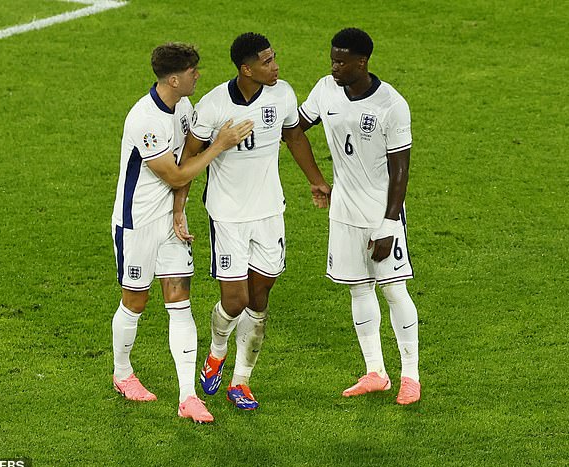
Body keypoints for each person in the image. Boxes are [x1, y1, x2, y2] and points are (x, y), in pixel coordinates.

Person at [174, 32, 331, 410]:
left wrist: (316, 180)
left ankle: (240, 382)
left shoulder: (282, 95)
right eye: (267, 61)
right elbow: (188, 159)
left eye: (274, 58)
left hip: (269, 214)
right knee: (235, 299)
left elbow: (294, 137)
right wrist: (180, 207)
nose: (276, 66)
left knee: (259, 300)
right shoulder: (212, 106)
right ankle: (215, 353)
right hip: (227, 216)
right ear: (247, 69)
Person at [110, 42, 253, 423]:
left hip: (170, 224)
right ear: (174, 78)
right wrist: (220, 145)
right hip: (136, 223)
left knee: (179, 301)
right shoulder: (145, 120)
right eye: (193, 71)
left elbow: (187, 157)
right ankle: (122, 374)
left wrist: (178, 210)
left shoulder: (185, 108)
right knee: (135, 303)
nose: (198, 75)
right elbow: (174, 173)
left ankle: (188, 397)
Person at [298, 28, 421, 405]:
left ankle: (410, 375)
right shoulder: (325, 89)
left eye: (341, 61)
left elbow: (400, 170)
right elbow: (295, 129)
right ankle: (375, 371)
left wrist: (388, 224)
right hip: (344, 213)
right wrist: (317, 180)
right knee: (358, 288)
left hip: (381, 214)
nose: (333, 66)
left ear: (362, 62)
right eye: (332, 59)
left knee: (394, 289)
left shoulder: (391, 105)